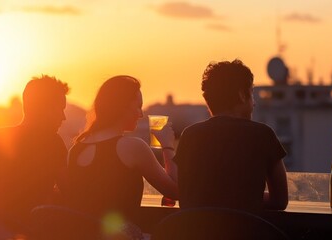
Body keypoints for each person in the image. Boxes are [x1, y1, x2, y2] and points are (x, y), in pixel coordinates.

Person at [63, 75, 179, 227]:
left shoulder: (75, 149)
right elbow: (174, 191)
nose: (141, 114)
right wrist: (167, 145)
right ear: (122, 107)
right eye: (138, 106)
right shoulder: (133, 147)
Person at [174, 59, 288, 212]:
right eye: (251, 93)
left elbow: (187, 198)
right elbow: (280, 201)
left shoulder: (189, 136)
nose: (253, 103)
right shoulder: (263, 135)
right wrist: (247, 200)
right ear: (242, 95)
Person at [0, 75, 69, 222]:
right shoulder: (53, 143)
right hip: (33, 231)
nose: (63, 117)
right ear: (45, 109)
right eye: (60, 109)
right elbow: (70, 191)